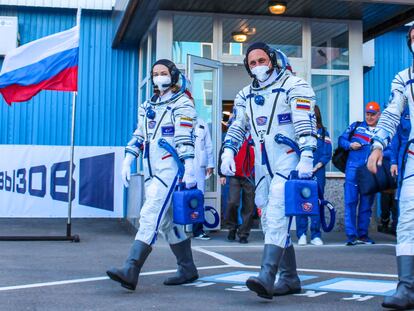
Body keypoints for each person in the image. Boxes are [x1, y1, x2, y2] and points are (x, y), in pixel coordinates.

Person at [221, 42, 317, 299]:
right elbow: (237, 126)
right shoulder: (245, 95)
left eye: (261, 60)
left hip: (289, 161)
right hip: (262, 166)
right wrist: (228, 150)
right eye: (252, 63)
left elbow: (305, 122)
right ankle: (290, 278)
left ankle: (267, 275)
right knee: (268, 219)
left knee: (276, 214)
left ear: (273, 60)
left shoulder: (294, 86)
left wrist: (307, 155)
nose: (257, 66)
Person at [106, 59, 198, 291]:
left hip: (170, 168)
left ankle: (131, 268)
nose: (159, 77)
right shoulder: (148, 106)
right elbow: (140, 134)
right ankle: (187, 268)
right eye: (155, 73)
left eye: (163, 73)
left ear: (173, 75)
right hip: (151, 169)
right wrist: (129, 157)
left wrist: (188, 165)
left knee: (149, 213)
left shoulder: (183, 104)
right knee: (166, 221)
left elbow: (184, 136)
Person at [367, 25, 414, 310]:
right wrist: (377, 145)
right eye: (413, 38)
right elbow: (391, 114)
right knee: (407, 222)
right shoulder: (405, 79)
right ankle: (407, 287)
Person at [339, 101, 381, 246]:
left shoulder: (383, 131)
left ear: (378, 114)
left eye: (373, 114)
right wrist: (350, 145)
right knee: (350, 202)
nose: (369, 117)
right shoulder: (356, 126)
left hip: (370, 171)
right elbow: (341, 140)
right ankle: (351, 236)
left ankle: (363, 235)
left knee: (366, 204)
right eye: (367, 114)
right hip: (353, 169)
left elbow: (388, 149)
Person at [296, 105, 332, 246]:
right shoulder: (299, 132)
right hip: (302, 172)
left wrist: (316, 167)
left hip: (318, 172)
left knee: (316, 203)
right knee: (302, 202)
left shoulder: (323, 133)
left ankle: (316, 234)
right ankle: (302, 234)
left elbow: (327, 153)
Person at [222, 133, 255, 244]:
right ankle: (232, 228)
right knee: (232, 202)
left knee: (249, 205)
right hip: (234, 174)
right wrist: (221, 173)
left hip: (250, 175)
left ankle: (243, 234)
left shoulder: (256, 133)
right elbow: (223, 151)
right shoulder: (235, 133)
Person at [192, 118, 215, 240]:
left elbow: (208, 145)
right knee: (179, 197)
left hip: (198, 167)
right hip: (182, 166)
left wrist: (210, 164)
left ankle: (197, 231)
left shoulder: (202, 123)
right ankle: (176, 230)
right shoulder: (176, 120)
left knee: (198, 198)